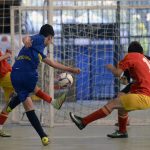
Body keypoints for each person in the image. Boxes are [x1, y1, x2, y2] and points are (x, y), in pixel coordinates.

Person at [0, 24, 80, 145]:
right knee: (30, 94)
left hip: (15, 75)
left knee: (26, 101)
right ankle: (53, 102)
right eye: (51, 39)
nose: (51, 42)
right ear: (49, 37)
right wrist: (25, 40)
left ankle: (43, 136)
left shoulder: (37, 51)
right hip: (26, 75)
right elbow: (27, 38)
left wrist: (71, 69)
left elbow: (53, 63)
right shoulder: (39, 39)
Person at [69, 41, 150, 138]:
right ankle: (122, 131)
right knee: (121, 105)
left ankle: (83, 122)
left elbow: (118, 73)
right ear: (141, 52)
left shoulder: (130, 56)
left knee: (112, 104)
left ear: (129, 52)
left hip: (143, 96)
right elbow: (126, 81)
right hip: (145, 95)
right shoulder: (145, 59)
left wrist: (112, 68)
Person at [0, 49, 66, 137]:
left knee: (9, 103)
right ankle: (53, 102)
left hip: (6, 74)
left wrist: (5, 55)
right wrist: (6, 55)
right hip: (4, 75)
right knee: (31, 87)